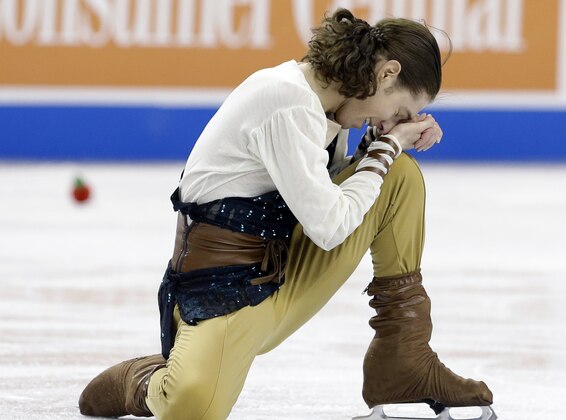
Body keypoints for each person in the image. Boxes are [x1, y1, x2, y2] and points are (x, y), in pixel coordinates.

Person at [78, 8, 494, 420]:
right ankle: (149, 380)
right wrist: (388, 145)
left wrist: (377, 142)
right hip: (224, 291)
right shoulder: (288, 101)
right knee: (192, 408)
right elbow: (330, 225)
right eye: (400, 110)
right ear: (386, 74)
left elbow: (323, 197)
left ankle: (403, 360)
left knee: (398, 176)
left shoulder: (334, 104)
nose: (395, 121)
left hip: (282, 273)